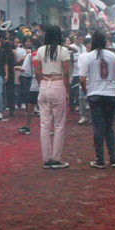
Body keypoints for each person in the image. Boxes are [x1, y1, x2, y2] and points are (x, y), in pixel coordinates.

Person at [79, 30, 115, 168]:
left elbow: (82, 79)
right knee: (109, 127)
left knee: (98, 128)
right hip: (110, 95)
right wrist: (111, 86)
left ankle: (100, 160)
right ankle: (113, 158)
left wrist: (88, 91)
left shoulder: (87, 57)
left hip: (95, 94)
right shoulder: (113, 56)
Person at [35, 25, 71, 169]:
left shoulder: (40, 50)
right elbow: (66, 73)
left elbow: (37, 71)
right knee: (59, 124)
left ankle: (46, 158)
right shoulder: (63, 51)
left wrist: (41, 84)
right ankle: (56, 158)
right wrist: (67, 91)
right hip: (57, 84)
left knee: (44, 124)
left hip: (44, 84)